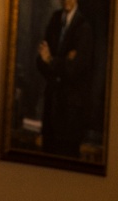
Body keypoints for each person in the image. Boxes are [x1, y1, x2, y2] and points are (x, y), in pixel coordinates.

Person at [36, 0, 94, 157]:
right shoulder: (55, 20)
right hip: (51, 109)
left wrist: (51, 60)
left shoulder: (84, 27)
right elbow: (40, 61)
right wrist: (58, 62)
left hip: (70, 114)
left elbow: (74, 70)